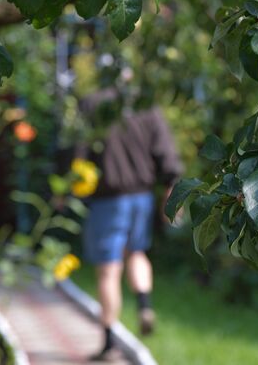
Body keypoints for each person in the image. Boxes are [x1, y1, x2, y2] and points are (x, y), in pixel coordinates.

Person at [78, 87, 183, 360]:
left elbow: (78, 150)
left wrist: (68, 185)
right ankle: (144, 305)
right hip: (142, 197)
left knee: (108, 271)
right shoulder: (144, 103)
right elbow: (165, 150)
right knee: (137, 252)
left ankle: (109, 342)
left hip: (108, 199)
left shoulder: (92, 104)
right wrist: (171, 183)